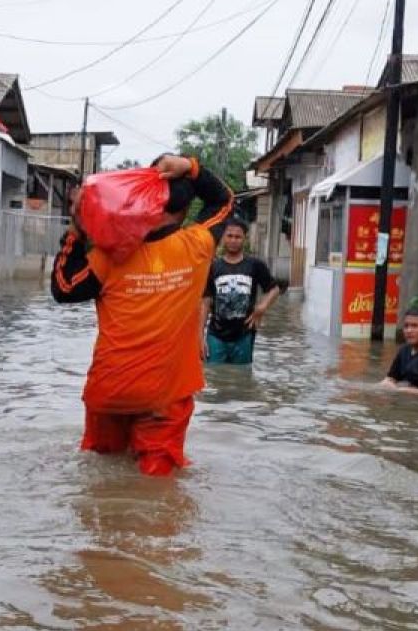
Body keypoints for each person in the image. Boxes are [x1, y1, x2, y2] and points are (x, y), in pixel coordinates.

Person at [51, 154, 233, 477]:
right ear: (184, 211)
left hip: (109, 392)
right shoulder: (197, 247)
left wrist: (77, 230)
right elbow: (224, 200)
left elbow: (63, 287)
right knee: (157, 492)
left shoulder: (110, 256)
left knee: (100, 480)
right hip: (165, 398)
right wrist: (190, 166)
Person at [199, 217, 280, 365]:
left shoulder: (255, 265)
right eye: (229, 236)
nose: (233, 240)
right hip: (216, 334)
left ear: (245, 239)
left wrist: (262, 307)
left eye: (238, 237)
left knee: (242, 377)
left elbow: (274, 289)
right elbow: (205, 302)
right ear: (223, 237)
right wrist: (199, 336)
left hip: (244, 334)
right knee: (215, 376)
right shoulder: (213, 267)